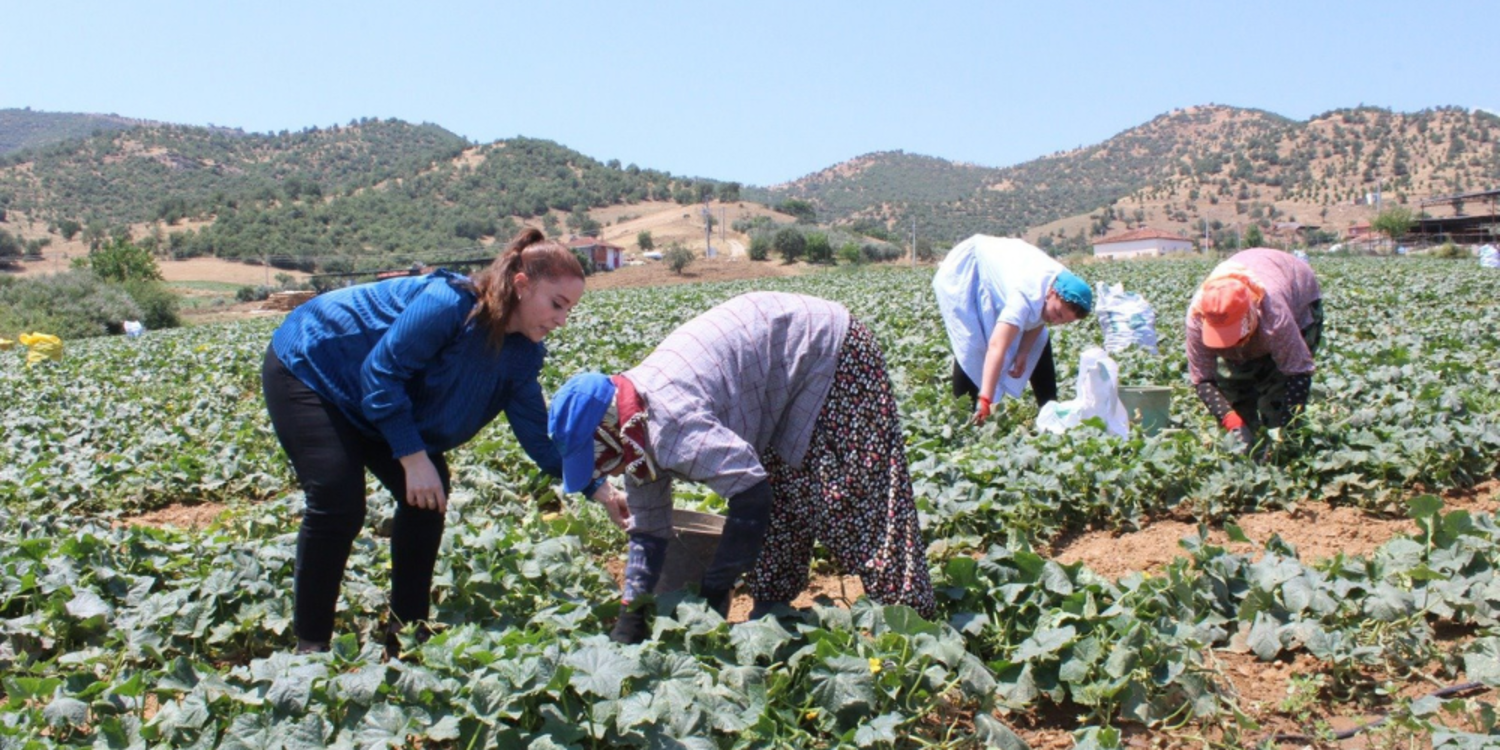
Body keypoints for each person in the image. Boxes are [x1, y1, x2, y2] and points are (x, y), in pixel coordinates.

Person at [261, 228, 591, 655]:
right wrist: (413, 457)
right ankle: (311, 646)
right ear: (521, 286)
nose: (561, 320)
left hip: (377, 400)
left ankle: (406, 633)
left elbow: (537, 435)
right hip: (314, 366)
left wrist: (596, 485)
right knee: (338, 502)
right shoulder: (449, 304)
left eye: (569, 310)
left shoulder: (522, 352)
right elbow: (380, 374)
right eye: (557, 304)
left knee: (428, 495)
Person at [548, 292, 936, 644]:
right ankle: (773, 618)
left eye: (600, 459)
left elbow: (751, 494)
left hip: (827, 349)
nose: (609, 472)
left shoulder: (668, 424)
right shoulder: (634, 432)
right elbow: (649, 534)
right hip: (775, 373)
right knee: (784, 491)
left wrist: (718, 585)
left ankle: (912, 629)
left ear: (611, 430)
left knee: (850, 498)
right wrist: (628, 621)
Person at [932, 235, 1094, 424]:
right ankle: (963, 416)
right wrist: (986, 399)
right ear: (1052, 293)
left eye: (1063, 321)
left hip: (1007, 269)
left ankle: (1050, 412)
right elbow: (997, 346)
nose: (1056, 321)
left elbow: (1042, 317)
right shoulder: (1025, 294)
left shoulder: (1062, 284)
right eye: (1058, 313)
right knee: (972, 344)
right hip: (971, 268)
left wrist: (1024, 351)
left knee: (1039, 342)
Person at [1185, 247, 1322, 453]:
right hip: (1260, 274)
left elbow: (1298, 372)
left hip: (1297, 289)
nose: (1232, 345)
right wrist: (1234, 423)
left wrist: (1286, 428)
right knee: (1233, 393)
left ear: (1251, 315)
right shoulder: (1197, 318)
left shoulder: (1274, 316)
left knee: (1278, 395)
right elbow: (1203, 379)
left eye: (1234, 333)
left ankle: (1284, 452)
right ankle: (1249, 447)